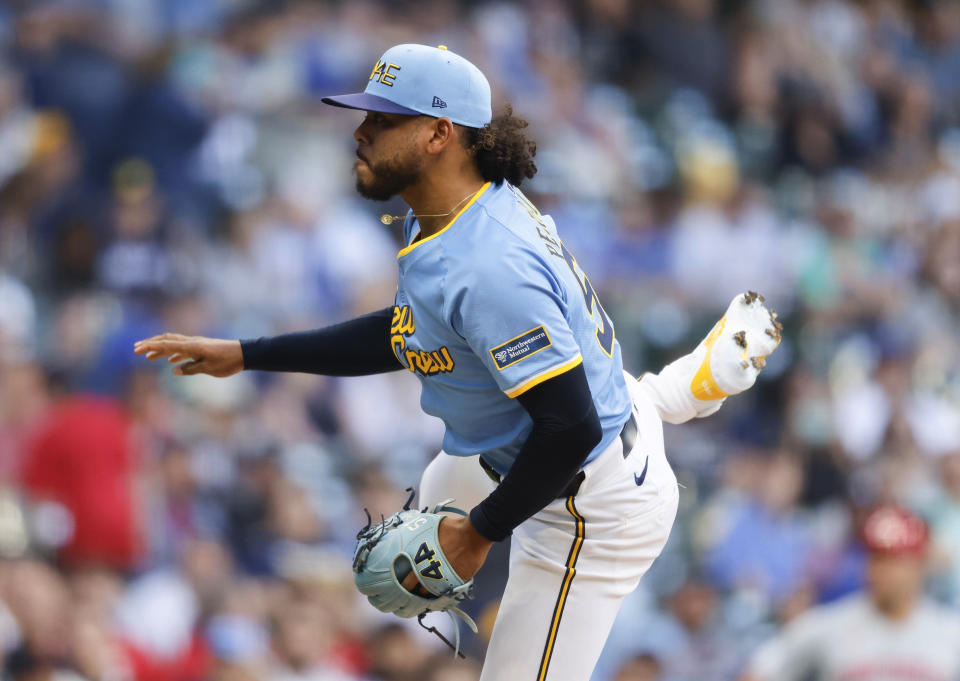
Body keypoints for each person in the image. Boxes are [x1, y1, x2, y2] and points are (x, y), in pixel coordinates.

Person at [135, 44, 779, 681]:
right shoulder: (447, 209)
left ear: (439, 133)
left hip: (591, 507)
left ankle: (674, 397)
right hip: (553, 440)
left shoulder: (487, 262)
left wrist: (481, 534)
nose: (359, 132)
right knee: (448, 481)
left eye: (383, 121)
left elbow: (571, 428)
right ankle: (674, 392)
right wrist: (248, 355)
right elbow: (407, 333)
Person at [741, 505, 960, 681]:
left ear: (919, 566)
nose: (883, 571)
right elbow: (761, 669)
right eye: (877, 559)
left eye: (895, 561)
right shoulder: (829, 623)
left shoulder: (950, 632)